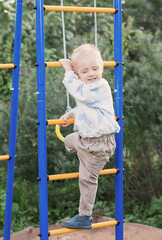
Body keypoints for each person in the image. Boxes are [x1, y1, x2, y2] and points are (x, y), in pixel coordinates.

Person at [59, 44, 120, 229]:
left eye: (95, 68)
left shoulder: (100, 85)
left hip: (100, 144)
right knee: (69, 140)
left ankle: (84, 216)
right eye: (84, 71)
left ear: (101, 67)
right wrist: (72, 114)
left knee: (87, 179)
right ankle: (82, 156)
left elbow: (81, 93)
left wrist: (68, 71)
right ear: (79, 75)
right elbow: (87, 106)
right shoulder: (88, 90)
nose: (91, 73)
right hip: (86, 141)